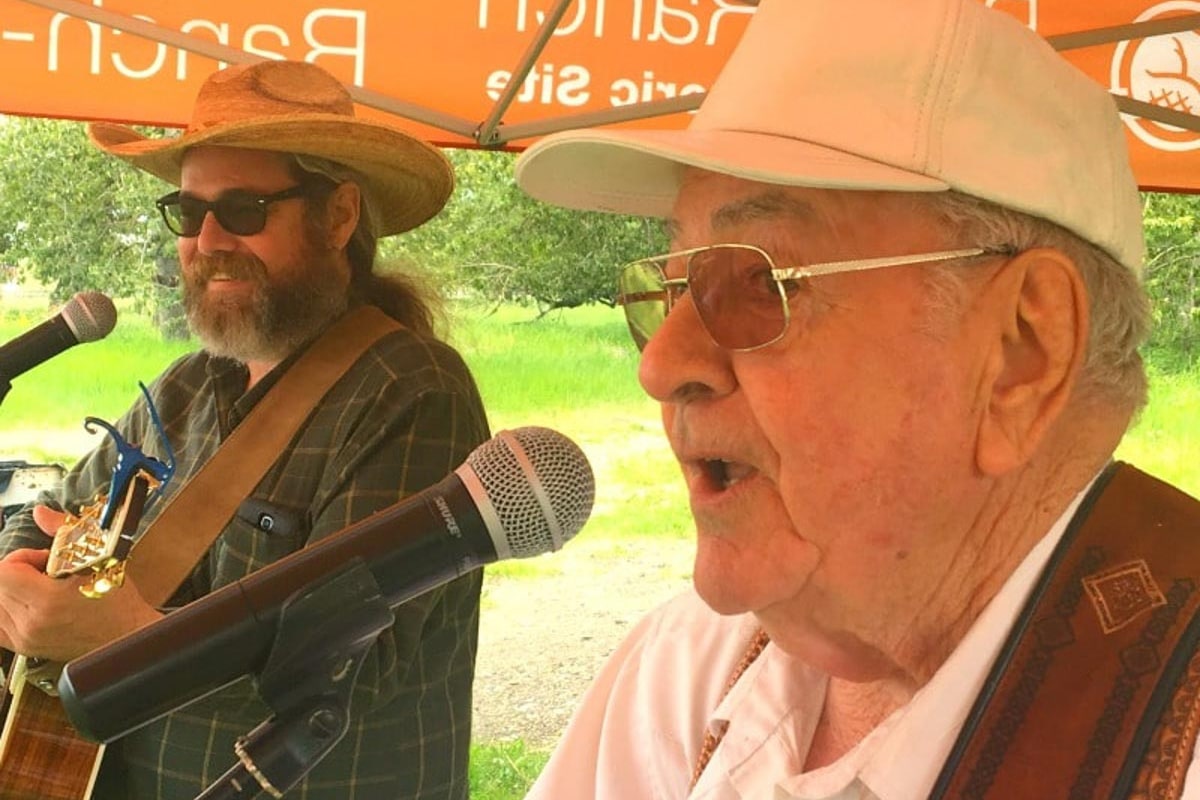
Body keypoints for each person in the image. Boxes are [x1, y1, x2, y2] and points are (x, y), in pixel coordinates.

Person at [513, 0, 1200, 798]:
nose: (662, 364)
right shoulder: (682, 675)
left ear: (1022, 351)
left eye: (757, 281)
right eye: (671, 284)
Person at [0, 60, 489, 799]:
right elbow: (55, 517)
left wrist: (122, 641)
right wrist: (18, 584)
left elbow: (354, 671)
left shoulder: (411, 390)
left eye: (245, 209)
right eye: (190, 213)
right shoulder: (187, 386)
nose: (210, 239)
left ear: (339, 216)